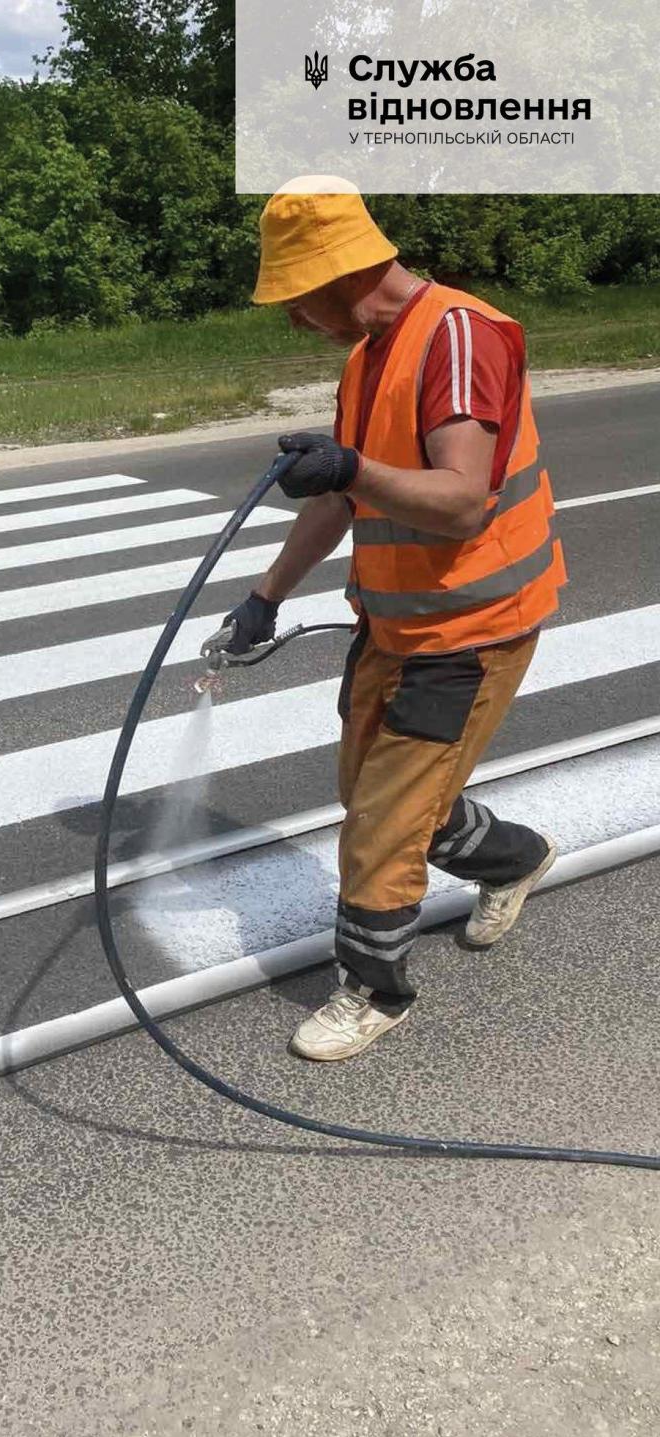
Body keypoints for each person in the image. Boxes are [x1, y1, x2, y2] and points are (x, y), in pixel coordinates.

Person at [207, 175, 567, 1062]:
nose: (295, 321)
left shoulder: (456, 338)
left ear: (339, 273)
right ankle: (514, 857)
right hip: (396, 624)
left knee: (381, 823)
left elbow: (459, 503)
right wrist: (265, 600)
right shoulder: (369, 355)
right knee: (378, 797)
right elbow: (342, 496)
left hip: (472, 629)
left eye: (297, 300)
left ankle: (374, 989)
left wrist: (349, 470)